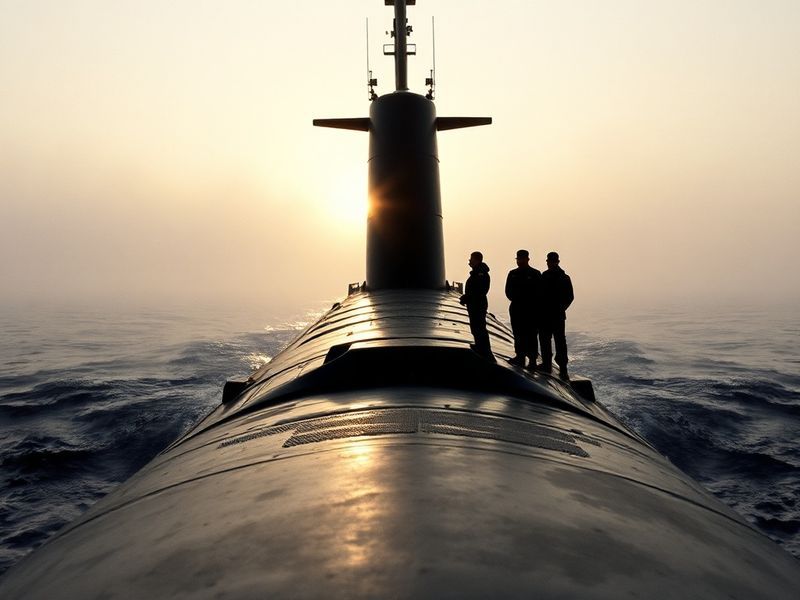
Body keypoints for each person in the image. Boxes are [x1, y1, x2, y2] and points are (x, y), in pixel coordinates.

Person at [538, 251, 574, 379]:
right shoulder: (561, 277)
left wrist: (558, 308)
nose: (549, 263)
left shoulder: (559, 277)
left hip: (552, 315)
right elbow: (569, 297)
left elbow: (569, 297)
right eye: (549, 261)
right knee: (552, 340)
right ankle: (557, 367)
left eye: (550, 261)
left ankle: (556, 367)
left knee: (553, 340)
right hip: (554, 315)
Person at [504, 249, 541, 369]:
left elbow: (540, 293)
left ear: (527, 259)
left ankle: (532, 360)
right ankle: (520, 356)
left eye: (521, 259)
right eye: (518, 259)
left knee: (531, 334)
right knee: (518, 333)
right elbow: (508, 292)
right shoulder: (513, 273)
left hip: (531, 309)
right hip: (517, 308)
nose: (519, 261)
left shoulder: (535, 274)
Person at [460, 251, 494, 360]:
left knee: (479, 327)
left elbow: (479, 291)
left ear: (477, 260)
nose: (469, 261)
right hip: (474, 303)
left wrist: (467, 297)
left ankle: (485, 350)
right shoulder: (477, 273)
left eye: (471, 259)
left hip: (477, 304)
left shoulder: (481, 274)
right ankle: (479, 346)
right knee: (475, 327)